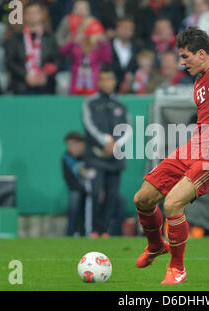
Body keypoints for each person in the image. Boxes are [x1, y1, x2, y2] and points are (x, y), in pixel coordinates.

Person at [133, 26, 209, 284]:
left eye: (185, 57)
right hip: (192, 148)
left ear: (201, 53)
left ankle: (177, 268)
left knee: (172, 204)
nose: (182, 63)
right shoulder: (199, 82)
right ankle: (156, 246)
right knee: (143, 198)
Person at [82, 65, 129, 238]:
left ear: (115, 81)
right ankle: (92, 230)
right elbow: (88, 125)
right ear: (98, 81)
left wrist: (116, 144)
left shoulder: (121, 105)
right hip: (95, 157)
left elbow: (128, 129)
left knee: (112, 196)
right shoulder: (90, 103)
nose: (105, 82)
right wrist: (105, 141)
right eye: (102, 79)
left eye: (109, 79)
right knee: (94, 193)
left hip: (115, 158)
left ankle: (106, 232)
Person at [5, 1, 60, 95]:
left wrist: (44, 75)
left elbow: (56, 61)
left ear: (42, 15)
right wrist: (25, 76)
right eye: (29, 13)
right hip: (20, 85)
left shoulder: (50, 38)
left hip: (45, 85)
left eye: (35, 13)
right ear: (24, 16)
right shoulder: (15, 38)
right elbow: (10, 61)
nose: (32, 16)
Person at [59, 13, 111, 96]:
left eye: (89, 25)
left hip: (93, 80)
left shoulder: (99, 42)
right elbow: (62, 53)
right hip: (77, 80)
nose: (87, 28)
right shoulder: (76, 38)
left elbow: (106, 59)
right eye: (84, 25)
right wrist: (72, 41)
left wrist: (104, 43)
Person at [62, 131, 87, 237]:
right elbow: (70, 181)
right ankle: (71, 233)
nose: (70, 148)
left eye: (73, 145)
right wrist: (84, 190)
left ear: (81, 144)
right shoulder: (66, 158)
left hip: (95, 190)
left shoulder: (90, 155)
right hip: (79, 191)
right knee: (74, 197)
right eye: (68, 146)